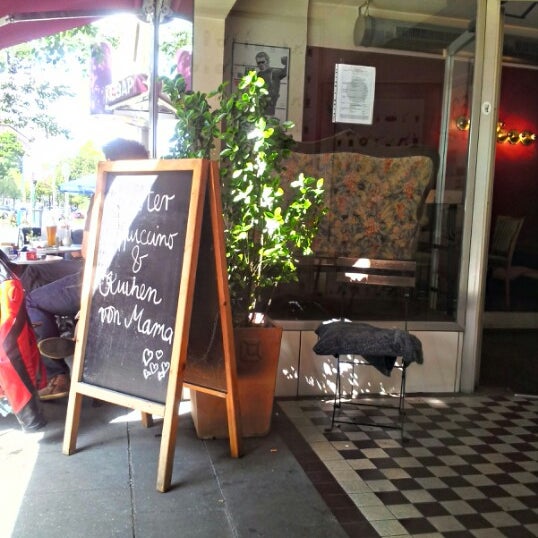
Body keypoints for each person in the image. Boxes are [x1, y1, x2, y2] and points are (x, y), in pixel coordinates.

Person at [29, 138, 149, 400]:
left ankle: (58, 374)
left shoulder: (105, 194)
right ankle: (72, 331)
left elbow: (86, 250)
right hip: (145, 290)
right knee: (41, 273)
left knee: (32, 300)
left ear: (112, 164)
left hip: (100, 281)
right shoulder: (160, 195)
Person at [254, 51, 287, 116]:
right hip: (260, 107)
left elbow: (286, 71)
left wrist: (286, 62)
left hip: (270, 108)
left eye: (262, 62)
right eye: (258, 62)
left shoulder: (274, 72)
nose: (260, 64)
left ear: (267, 61)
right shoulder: (259, 74)